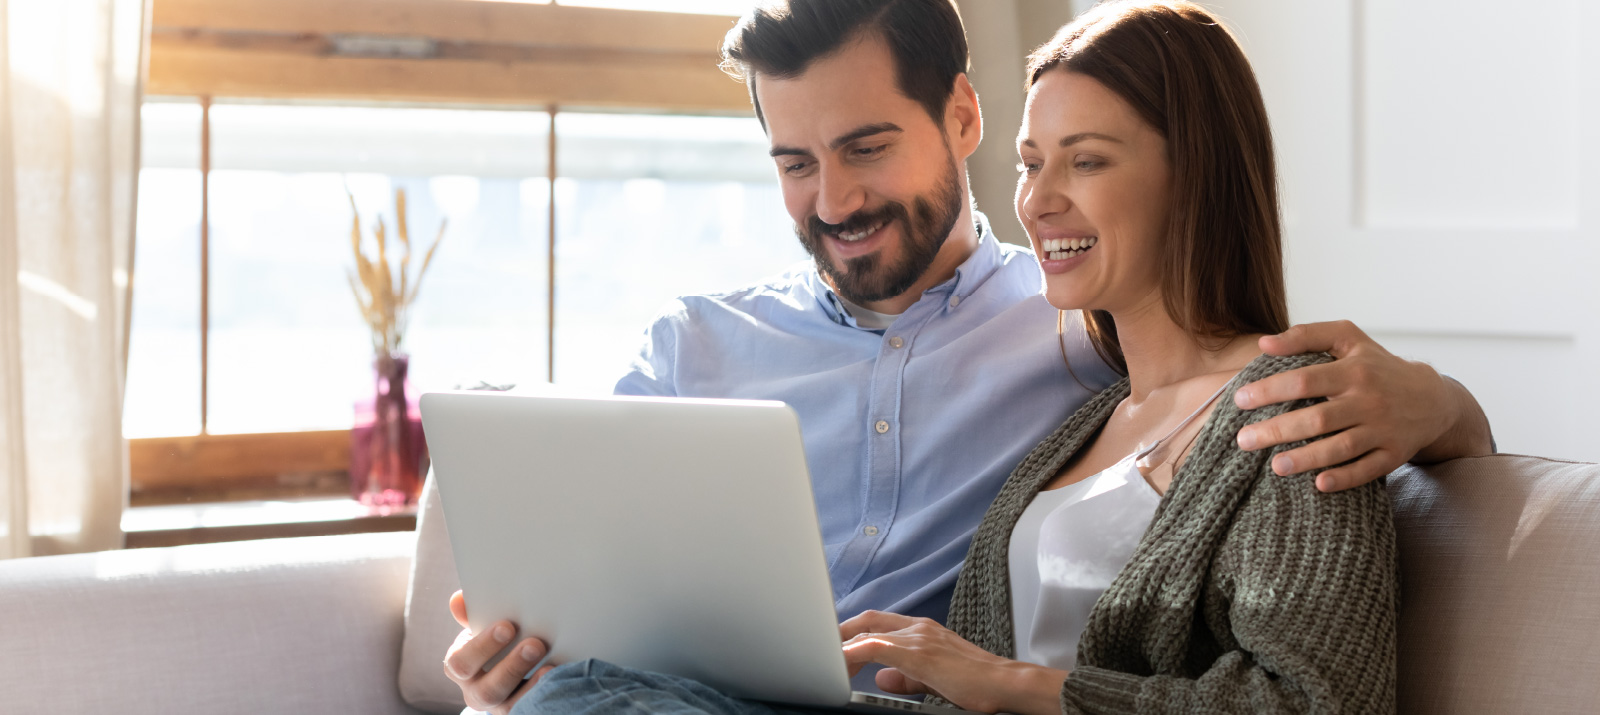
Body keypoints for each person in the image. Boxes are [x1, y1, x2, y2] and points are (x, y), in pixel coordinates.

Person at [441, 2, 1489, 713]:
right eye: (795, 163)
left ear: (958, 115)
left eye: (864, 147)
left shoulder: (1089, 338)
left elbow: (1306, 682)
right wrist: (518, 654)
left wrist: (1443, 406)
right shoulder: (695, 344)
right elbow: (576, 593)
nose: (834, 201)